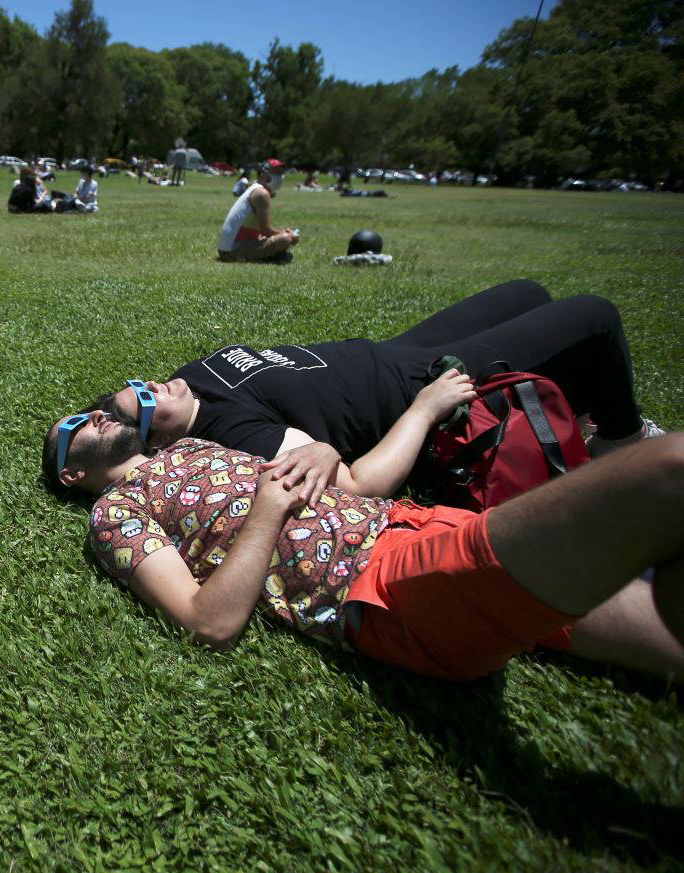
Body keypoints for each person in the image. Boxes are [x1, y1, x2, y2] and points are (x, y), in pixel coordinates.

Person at [42, 398, 684, 683]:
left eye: (92, 410)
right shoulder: (114, 514)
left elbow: (341, 479)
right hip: (381, 582)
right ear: (73, 473)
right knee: (665, 470)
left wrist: (321, 452)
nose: (95, 415)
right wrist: (268, 509)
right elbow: (207, 622)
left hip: (410, 521)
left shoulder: (189, 446)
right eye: (76, 427)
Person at [86, 280, 663, 496]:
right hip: (421, 381)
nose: (151, 385)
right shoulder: (229, 434)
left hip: (396, 347)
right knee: (594, 317)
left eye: (134, 386)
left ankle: (571, 410)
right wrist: (425, 407)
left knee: (530, 293)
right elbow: (354, 484)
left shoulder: (188, 385)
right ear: (158, 445)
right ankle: (622, 440)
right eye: (142, 401)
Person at [217, 158, 300, 262]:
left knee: (282, 239)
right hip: (232, 251)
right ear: (263, 174)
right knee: (285, 239)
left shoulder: (255, 188)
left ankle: (275, 257)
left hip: (228, 248)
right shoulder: (261, 193)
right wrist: (289, 235)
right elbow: (266, 230)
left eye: (281, 172)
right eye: (276, 171)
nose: (280, 176)